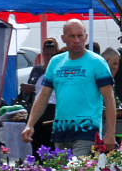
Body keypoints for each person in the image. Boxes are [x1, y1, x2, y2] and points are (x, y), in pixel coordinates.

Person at [20, 20, 115, 156]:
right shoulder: (56, 62)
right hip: (61, 131)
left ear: (86, 37)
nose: (76, 40)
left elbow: (109, 98)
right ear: (63, 38)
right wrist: (30, 124)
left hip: (87, 131)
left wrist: (110, 133)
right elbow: (43, 96)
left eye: (80, 36)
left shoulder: (97, 62)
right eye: (71, 36)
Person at [26, 38, 62, 152]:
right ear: (42, 54)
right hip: (38, 109)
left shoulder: (60, 71)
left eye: (52, 54)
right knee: (37, 146)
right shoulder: (37, 70)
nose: (49, 57)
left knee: (52, 146)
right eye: (47, 54)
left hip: (54, 109)